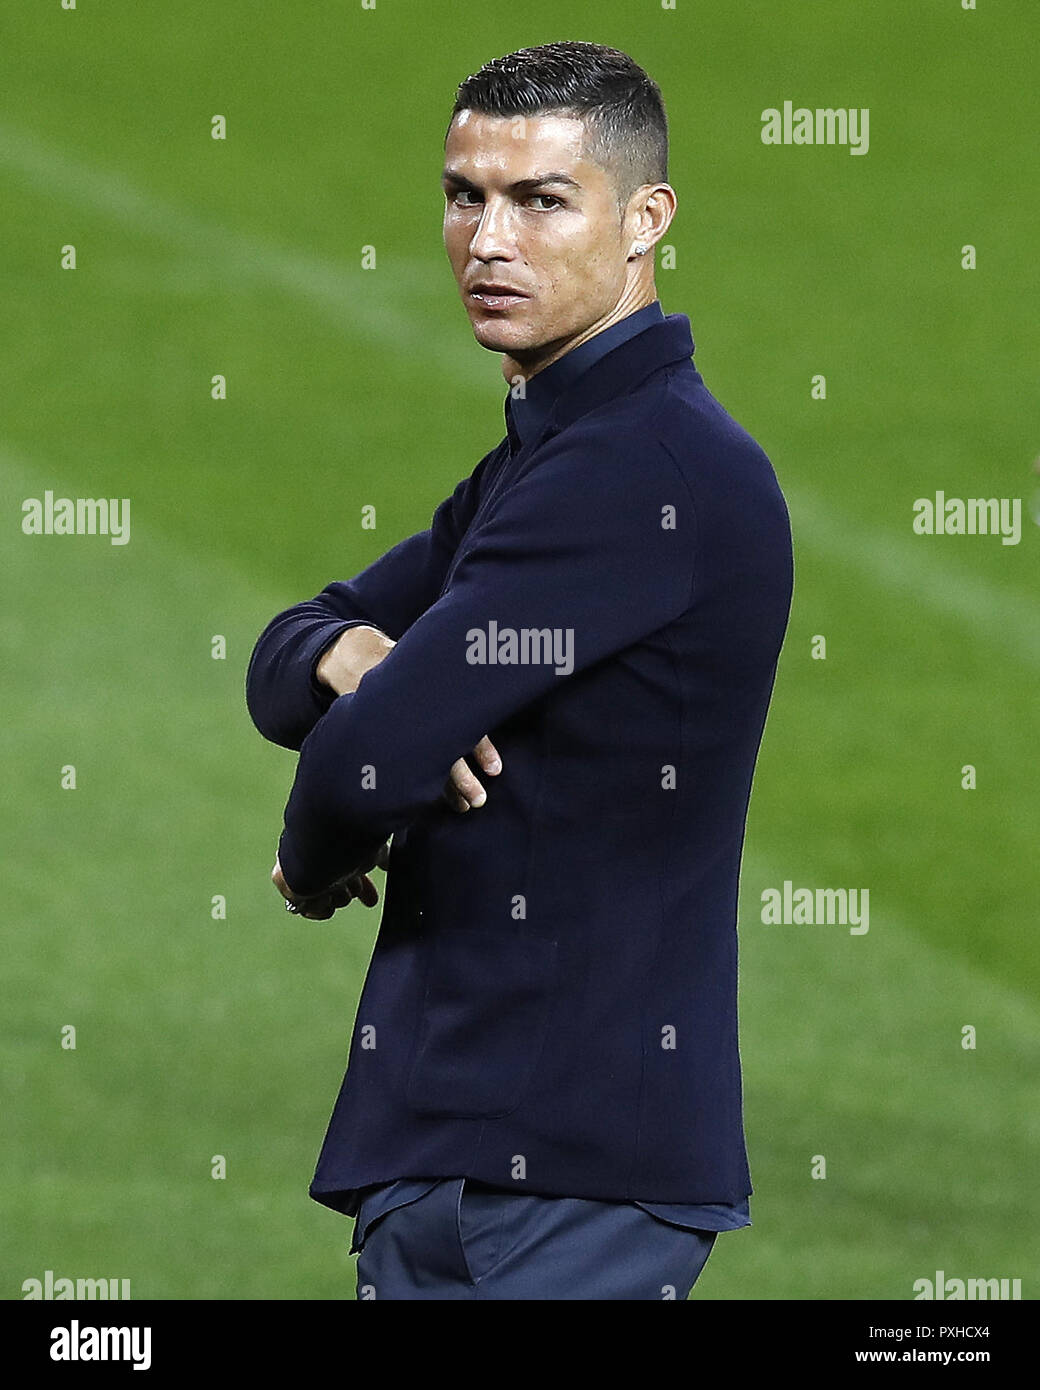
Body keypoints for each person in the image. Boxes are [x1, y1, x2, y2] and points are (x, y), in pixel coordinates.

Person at [245, 40, 793, 1300]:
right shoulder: (542, 461)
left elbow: (360, 760)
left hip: (560, 1174)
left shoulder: (638, 475)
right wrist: (348, 652)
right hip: (481, 1159)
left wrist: (311, 863)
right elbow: (291, 655)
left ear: (645, 219)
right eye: (464, 196)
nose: (488, 238)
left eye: (541, 200)